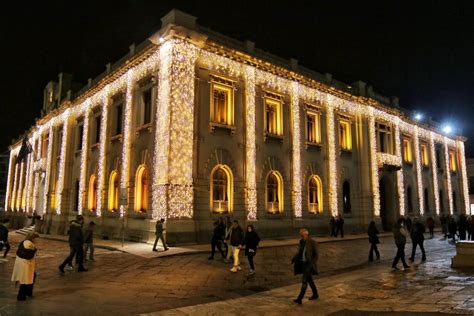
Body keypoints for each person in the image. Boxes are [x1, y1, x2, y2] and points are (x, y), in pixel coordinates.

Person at [292, 228, 319, 304]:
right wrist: (294, 259)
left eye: (302, 234)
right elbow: (299, 252)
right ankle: (316, 294)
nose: (301, 236)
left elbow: (316, 255)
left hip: (309, 264)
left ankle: (299, 298)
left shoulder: (312, 242)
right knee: (309, 280)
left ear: (306, 234)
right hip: (302, 264)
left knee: (304, 281)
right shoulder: (301, 242)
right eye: (300, 234)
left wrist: (312, 263)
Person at [11, 232, 39, 301]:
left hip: (23, 264)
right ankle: (21, 296)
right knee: (24, 280)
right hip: (26, 265)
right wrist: (34, 251)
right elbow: (29, 255)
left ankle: (28, 292)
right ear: (33, 238)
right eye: (36, 238)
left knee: (31, 277)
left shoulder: (24, 242)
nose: (37, 240)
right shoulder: (29, 244)